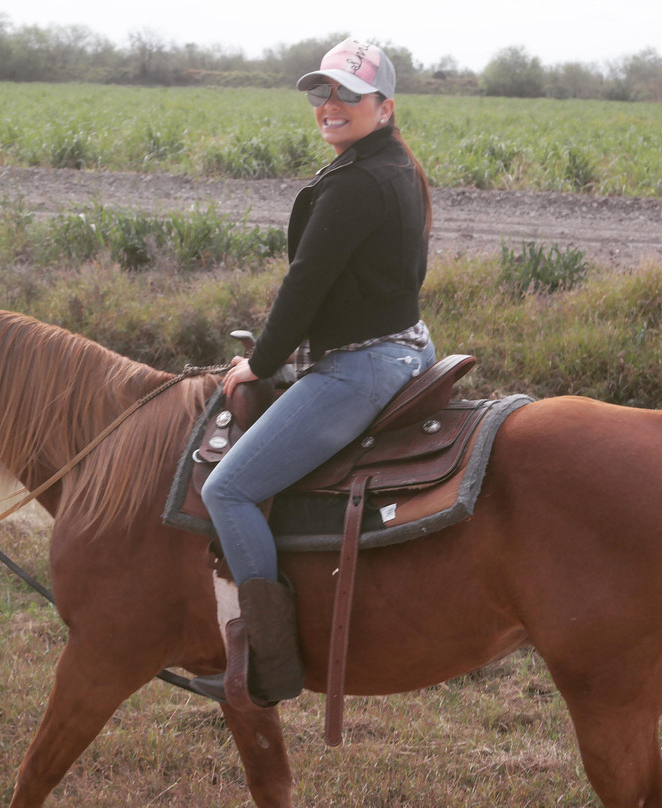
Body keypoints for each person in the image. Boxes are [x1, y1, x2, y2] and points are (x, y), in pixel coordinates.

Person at [191, 37, 437, 706]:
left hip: (363, 365)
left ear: (383, 108)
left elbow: (304, 288)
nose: (330, 106)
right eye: (320, 93)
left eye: (347, 96)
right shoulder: (396, 168)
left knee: (229, 491)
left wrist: (259, 364)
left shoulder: (357, 184)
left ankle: (270, 666)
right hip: (411, 344)